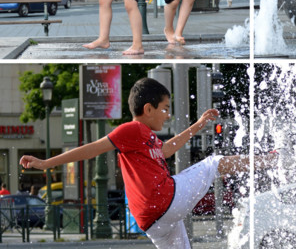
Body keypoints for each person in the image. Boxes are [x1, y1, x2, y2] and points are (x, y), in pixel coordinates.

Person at [20, 77, 249, 249]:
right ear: (148, 109)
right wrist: (46, 163)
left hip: (153, 222)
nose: (167, 115)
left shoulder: (147, 137)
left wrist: (198, 125)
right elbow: (89, 150)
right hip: (164, 201)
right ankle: (272, 159)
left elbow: (167, 149)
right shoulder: (131, 130)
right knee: (214, 163)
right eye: (164, 109)